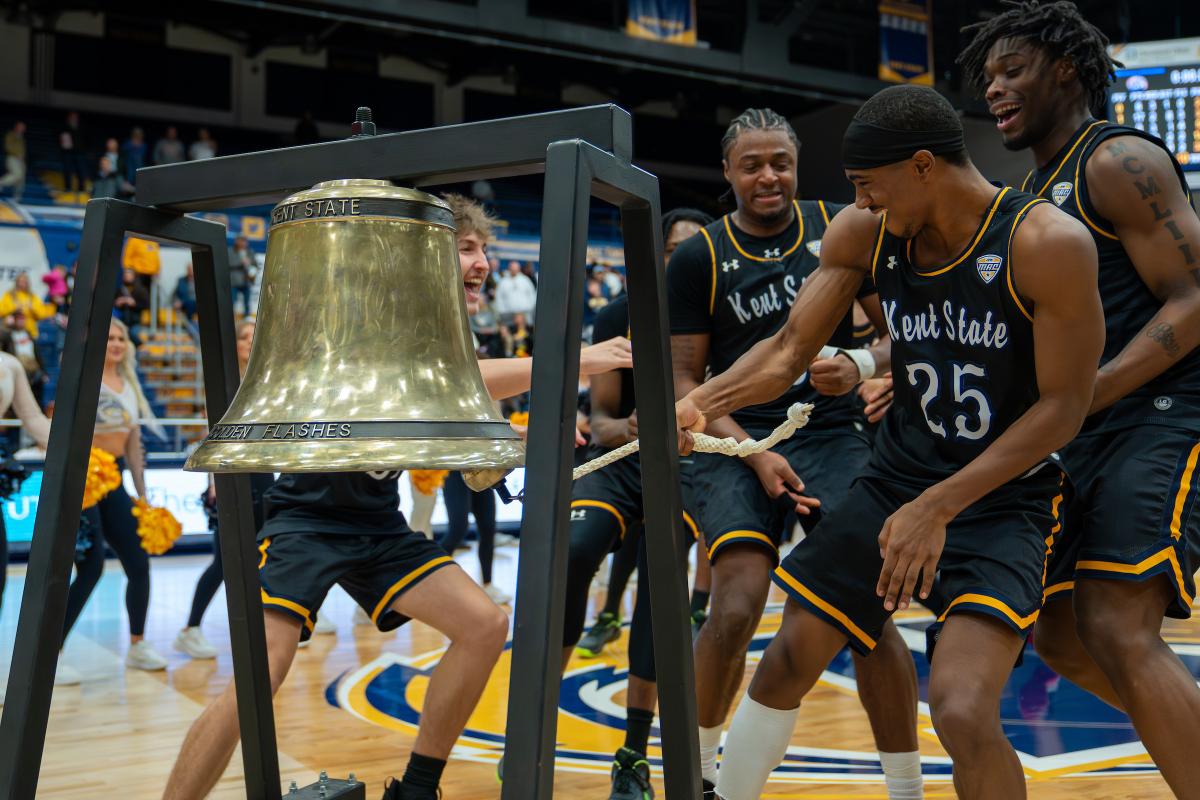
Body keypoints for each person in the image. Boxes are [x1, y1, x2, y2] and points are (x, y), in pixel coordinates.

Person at [678, 84, 1104, 800]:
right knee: (785, 661)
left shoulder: (1046, 242)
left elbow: (1065, 410)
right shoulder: (863, 232)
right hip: (897, 479)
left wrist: (938, 508)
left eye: (866, 186)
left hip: (1004, 496)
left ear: (921, 166)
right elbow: (787, 350)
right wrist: (698, 404)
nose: (861, 203)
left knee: (964, 712)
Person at [163, 192, 631, 800]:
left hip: (378, 525)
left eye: (485, 250)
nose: (483, 262)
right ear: (423, 259)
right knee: (258, 678)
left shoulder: (443, 340)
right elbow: (447, 380)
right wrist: (570, 363)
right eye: (467, 248)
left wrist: (513, 437)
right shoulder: (369, 318)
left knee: (485, 623)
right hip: (306, 520)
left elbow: (460, 437)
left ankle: (416, 787)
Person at [959, 3, 1200, 793]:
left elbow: (1193, 297)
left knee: (1113, 621)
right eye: (988, 77)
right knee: (1062, 637)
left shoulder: (1117, 161)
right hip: (1089, 430)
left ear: (1066, 68)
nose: (995, 89)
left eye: (1013, 70)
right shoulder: (1031, 194)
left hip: (1166, 410)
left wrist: (1086, 394)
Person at [666, 108, 917, 799]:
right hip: (731, 436)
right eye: (752, 164)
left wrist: (865, 361)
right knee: (738, 603)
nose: (768, 175)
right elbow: (687, 382)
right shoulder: (698, 258)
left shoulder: (845, 227)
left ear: (799, 164)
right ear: (728, 172)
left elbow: (909, 335)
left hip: (833, 433)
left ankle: (906, 788)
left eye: (780, 161)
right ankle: (699, 772)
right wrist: (752, 453)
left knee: (869, 610)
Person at [576, 208, 716, 663]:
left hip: (698, 460)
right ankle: (607, 615)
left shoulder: (722, 315)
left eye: (695, 251)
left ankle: (695, 610)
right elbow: (600, 421)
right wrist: (627, 428)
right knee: (579, 551)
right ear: (657, 255)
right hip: (625, 457)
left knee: (664, 552)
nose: (684, 260)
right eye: (675, 250)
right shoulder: (618, 316)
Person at [63, 318, 168, 676]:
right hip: (83, 484)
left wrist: (142, 495)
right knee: (90, 569)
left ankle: (137, 645)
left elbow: (133, 446)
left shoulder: (130, 385)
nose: (116, 344)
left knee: (138, 563)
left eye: (121, 338)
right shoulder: (84, 381)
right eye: (109, 338)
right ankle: (50, 653)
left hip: (114, 481)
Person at [174, 319, 281, 659]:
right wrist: (213, 481)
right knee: (223, 562)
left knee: (264, 555)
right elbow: (213, 436)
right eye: (245, 337)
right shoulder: (223, 383)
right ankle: (190, 629)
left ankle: (265, 629)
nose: (251, 342)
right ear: (234, 344)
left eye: (255, 336)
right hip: (231, 475)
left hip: (263, 474)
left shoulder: (270, 380)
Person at [493, 260, 537, 324]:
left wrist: (529, 309)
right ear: (509, 269)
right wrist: (502, 311)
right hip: (508, 315)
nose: (514, 270)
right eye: (512, 268)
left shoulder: (525, 280)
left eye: (515, 269)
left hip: (525, 314)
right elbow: (498, 297)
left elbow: (532, 294)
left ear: (518, 269)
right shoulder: (503, 282)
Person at [58, 111, 87, 193]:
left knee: (81, 171)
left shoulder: (82, 127)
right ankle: (68, 188)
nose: (73, 119)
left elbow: (87, 140)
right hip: (68, 153)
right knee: (67, 170)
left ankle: (81, 189)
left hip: (79, 152)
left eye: (75, 117)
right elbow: (60, 139)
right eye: (72, 117)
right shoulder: (64, 127)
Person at [0, 121, 26, 201]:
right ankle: (1, 182)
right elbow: (8, 146)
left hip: (21, 160)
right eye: (21, 127)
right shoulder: (10, 135)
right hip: (12, 158)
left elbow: (22, 149)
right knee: (17, 174)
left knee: (21, 180)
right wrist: (17, 154)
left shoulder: (21, 137)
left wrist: (22, 157)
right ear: (16, 127)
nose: (23, 129)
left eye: (23, 127)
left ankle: (17, 198)